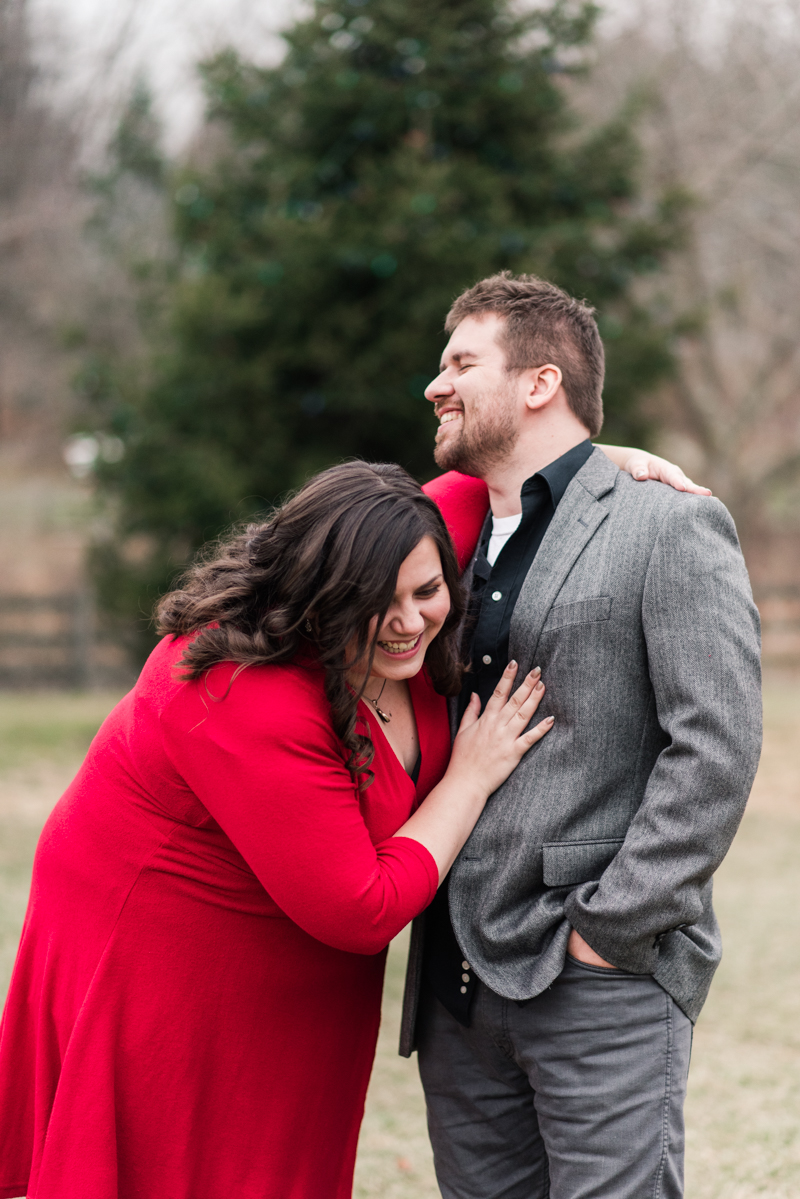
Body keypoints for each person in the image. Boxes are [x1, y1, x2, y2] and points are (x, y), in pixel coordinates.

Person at [0, 461, 554, 1199]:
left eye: (427, 592)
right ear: (321, 594)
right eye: (375, 604)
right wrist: (468, 778)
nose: (410, 620)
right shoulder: (246, 689)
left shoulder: (409, 553)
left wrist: (611, 461)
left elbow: (492, 474)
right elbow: (364, 908)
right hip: (161, 939)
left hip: (294, 942)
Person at [402, 273, 763, 1199]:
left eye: (459, 362)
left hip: (595, 974)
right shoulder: (441, 537)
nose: (434, 385)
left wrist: (609, 931)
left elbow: (715, 745)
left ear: (538, 382)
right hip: (454, 986)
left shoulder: (668, 523)